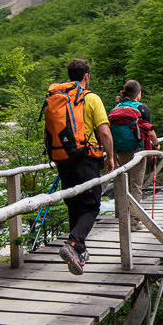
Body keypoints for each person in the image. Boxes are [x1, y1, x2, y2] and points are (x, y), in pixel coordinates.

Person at [54, 59, 116, 275]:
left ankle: (79, 253)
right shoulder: (91, 98)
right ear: (86, 76)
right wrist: (110, 157)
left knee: (74, 205)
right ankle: (73, 244)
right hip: (86, 159)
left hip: (63, 160)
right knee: (91, 206)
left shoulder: (58, 99)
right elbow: (104, 131)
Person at [111, 79, 159, 230]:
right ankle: (132, 222)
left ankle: (122, 217)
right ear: (138, 93)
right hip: (137, 152)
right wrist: (156, 145)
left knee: (122, 184)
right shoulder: (141, 108)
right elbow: (150, 131)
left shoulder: (115, 109)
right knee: (135, 186)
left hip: (120, 151)